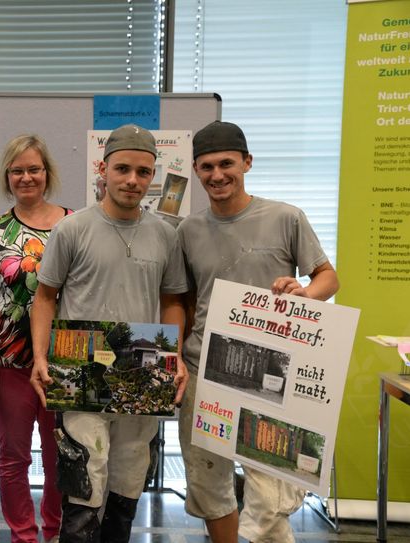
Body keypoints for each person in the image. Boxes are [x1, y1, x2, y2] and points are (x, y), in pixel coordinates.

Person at [176, 121, 339, 543]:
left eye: (227, 164)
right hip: (205, 371)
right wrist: (177, 357)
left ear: (247, 162)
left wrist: (304, 293)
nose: (217, 175)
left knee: (270, 492)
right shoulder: (188, 231)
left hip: (272, 376)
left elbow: (328, 278)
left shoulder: (286, 217)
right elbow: (186, 301)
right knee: (208, 484)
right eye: (207, 166)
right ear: (195, 170)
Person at [30, 124, 189, 543]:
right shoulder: (72, 229)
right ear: (104, 169)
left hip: (142, 376)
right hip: (81, 374)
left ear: (153, 176)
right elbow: (44, 298)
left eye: (143, 172)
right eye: (123, 169)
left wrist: (175, 357)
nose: (133, 180)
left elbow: (172, 301)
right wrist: (41, 357)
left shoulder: (165, 235)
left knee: (127, 484)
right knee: (84, 483)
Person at [0, 134, 71, 543]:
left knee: (59, 458)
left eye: (34, 169)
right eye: (17, 171)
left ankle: (53, 532)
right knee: (13, 457)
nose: (26, 177)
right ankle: (23, 536)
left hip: (62, 360)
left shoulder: (74, 225)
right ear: (7, 176)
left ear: (47, 173)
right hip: (10, 359)